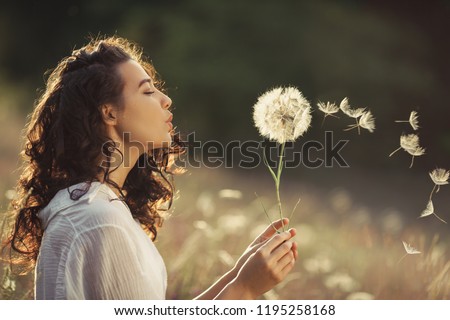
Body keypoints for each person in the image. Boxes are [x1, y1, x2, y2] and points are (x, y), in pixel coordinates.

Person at [3, 36, 298, 299]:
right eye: (147, 92)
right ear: (109, 112)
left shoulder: (96, 205)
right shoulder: (100, 220)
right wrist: (245, 290)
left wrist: (237, 275)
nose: (166, 100)